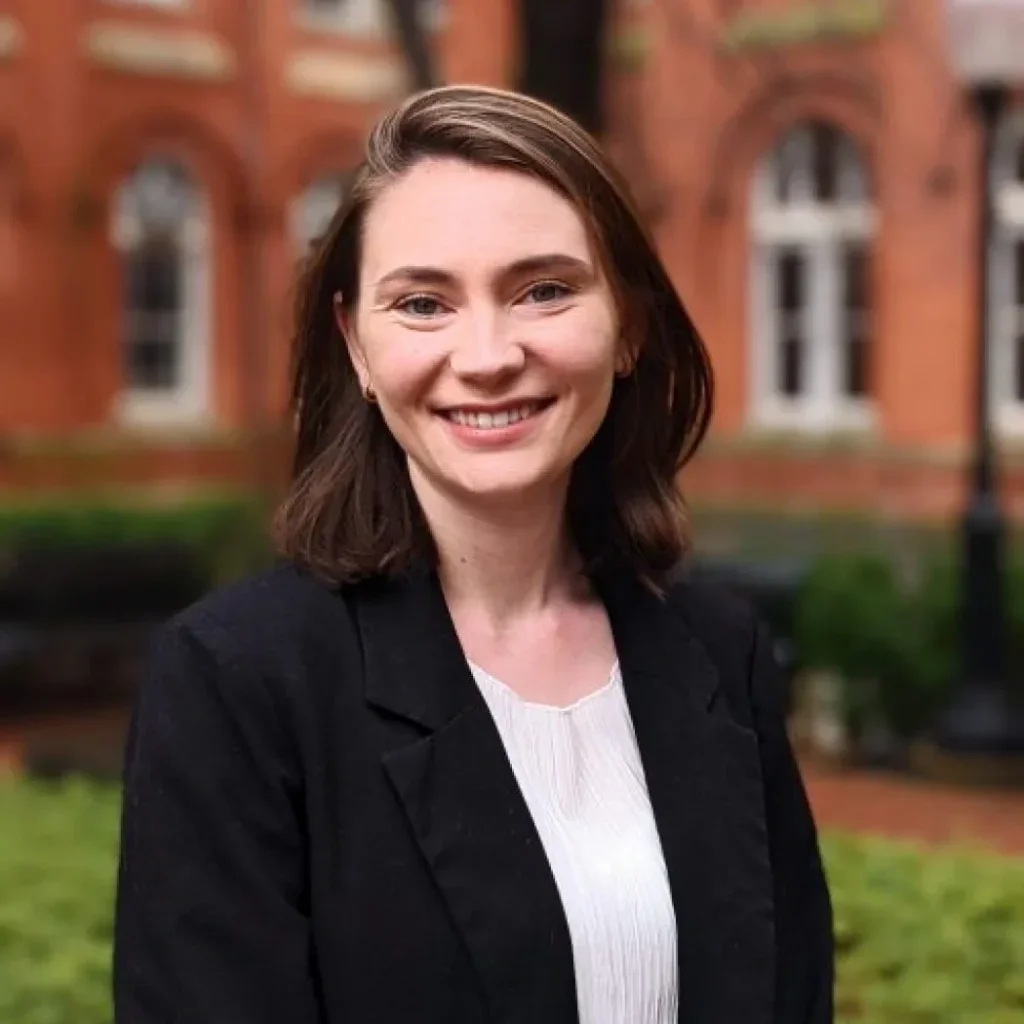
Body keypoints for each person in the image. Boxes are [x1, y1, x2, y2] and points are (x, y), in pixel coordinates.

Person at [113, 85, 833, 1024]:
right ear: (357, 348)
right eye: (422, 302)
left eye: (544, 290)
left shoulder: (715, 650)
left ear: (629, 325)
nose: (488, 354)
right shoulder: (238, 683)